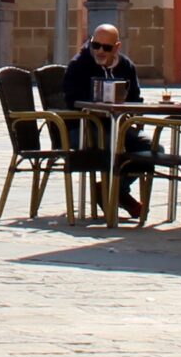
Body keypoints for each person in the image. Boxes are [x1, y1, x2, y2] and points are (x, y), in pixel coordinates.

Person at [63, 24, 150, 221]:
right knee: (113, 145)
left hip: (118, 126)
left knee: (151, 149)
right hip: (83, 127)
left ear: (117, 47)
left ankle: (112, 190)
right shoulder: (79, 65)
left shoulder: (126, 66)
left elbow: (136, 98)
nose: (100, 51)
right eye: (96, 45)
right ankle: (119, 196)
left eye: (107, 47)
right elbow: (71, 99)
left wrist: (130, 110)